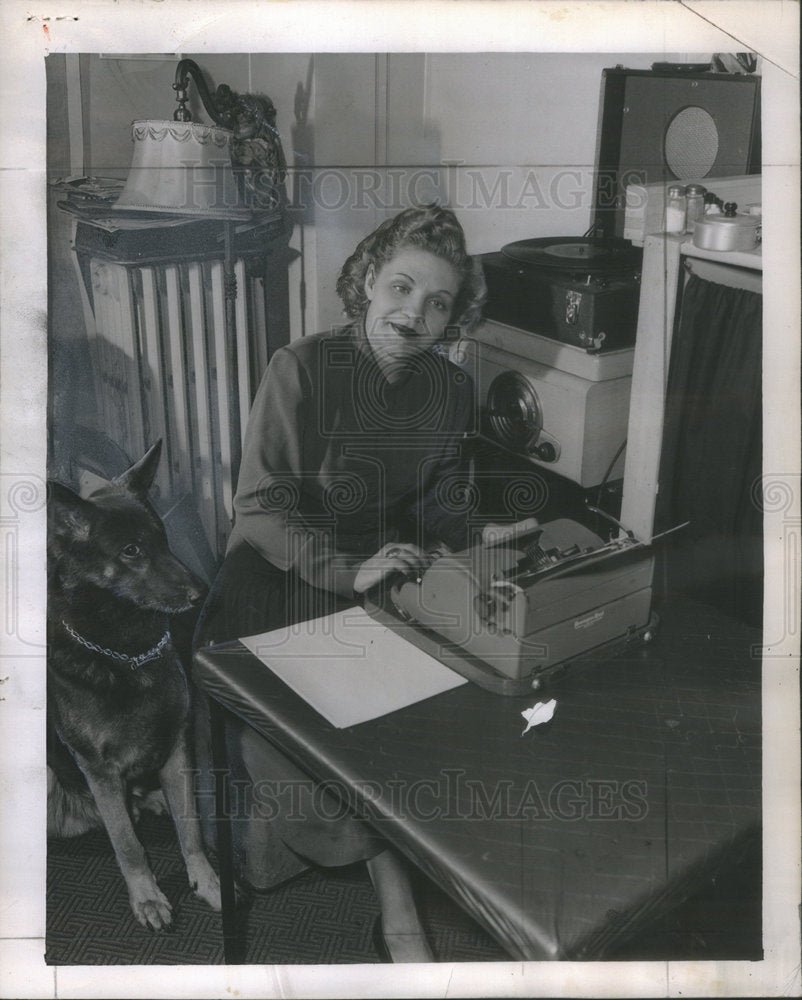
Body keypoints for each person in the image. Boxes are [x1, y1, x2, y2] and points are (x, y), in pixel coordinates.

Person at [194, 203, 486, 962]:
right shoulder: (300, 365)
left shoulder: (451, 392)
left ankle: (385, 880)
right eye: (401, 287)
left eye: (438, 303)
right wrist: (346, 569)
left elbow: (442, 503)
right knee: (319, 729)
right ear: (366, 282)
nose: (413, 313)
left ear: (453, 320)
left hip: (375, 563)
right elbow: (259, 510)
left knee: (444, 690)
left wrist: (481, 546)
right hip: (274, 566)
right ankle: (400, 909)